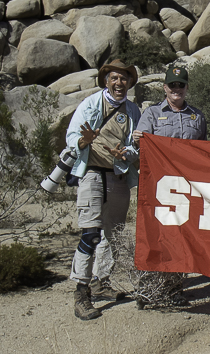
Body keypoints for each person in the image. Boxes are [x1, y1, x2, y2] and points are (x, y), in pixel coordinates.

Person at [65, 59, 141, 321]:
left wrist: (127, 153)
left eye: (124, 79)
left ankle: (101, 281)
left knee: (114, 234)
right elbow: (73, 135)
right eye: (115, 78)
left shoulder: (133, 110)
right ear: (106, 80)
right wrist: (82, 141)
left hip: (118, 177)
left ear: (130, 83)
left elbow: (135, 146)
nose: (119, 83)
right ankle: (81, 292)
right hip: (93, 175)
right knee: (91, 234)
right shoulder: (91, 104)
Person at [132, 65, 207, 307]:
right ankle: (147, 290)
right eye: (172, 85)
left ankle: (174, 290)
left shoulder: (198, 116)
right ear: (165, 87)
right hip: (158, 189)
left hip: (187, 190)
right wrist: (137, 141)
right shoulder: (152, 114)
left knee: (180, 237)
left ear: (187, 88)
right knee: (154, 236)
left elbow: (205, 153)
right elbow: (139, 149)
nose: (177, 89)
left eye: (181, 85)